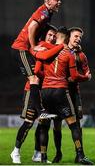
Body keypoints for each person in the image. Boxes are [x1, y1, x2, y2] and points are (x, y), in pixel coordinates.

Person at [38, 26, 93, 164]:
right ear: (69, 37)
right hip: (61, 91)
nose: (78, 39)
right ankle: (58, 153)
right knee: (57, 124)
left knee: (76, 124)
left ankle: (79, 154)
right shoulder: (60, 51)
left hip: (72, 93)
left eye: (80, 37)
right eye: (76, 36)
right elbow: (80, 76)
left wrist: (81, 78)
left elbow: (87, 74)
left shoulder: (81, 55)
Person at [10, 25, 64, 164]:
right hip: (31, 90)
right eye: (50, 35)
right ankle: (15, 151)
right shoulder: (41, 45)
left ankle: (37, 154)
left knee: (43, 124)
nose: (52, 38)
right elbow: (46, 55)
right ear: (44, 36)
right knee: (28, 122)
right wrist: (64, 45)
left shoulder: (51, 49)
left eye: (54, 36)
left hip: (44, 91)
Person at [11, 0, 61, 119]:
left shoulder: (48, 14)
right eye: (57, 0)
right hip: (21, 48)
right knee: (34, 78)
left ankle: (38, 109)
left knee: (35, 77)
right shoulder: (43, 11)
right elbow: (31, 27)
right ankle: (40, 111)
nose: (59, 2)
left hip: (25, 49)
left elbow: (41, 29)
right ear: (48, 1)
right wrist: (34, 46)